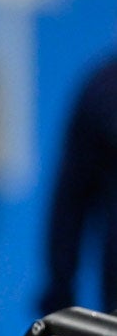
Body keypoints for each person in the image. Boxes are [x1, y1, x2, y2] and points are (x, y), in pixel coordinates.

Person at [39, 52, 117, 316]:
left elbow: (69, 202)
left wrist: (60, 291)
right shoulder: (104, 89)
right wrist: (60, 292)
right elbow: (70, 201)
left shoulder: (103, 87)